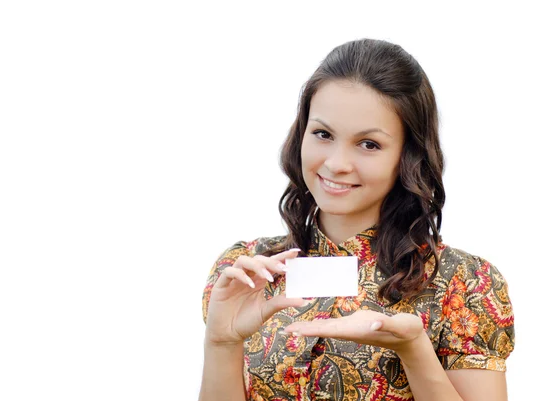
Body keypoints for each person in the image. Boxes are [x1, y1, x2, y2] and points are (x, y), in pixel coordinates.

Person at [199, 38, 515, 401]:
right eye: (323, 134)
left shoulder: (464, 283)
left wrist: (414, 351)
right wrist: (221, 341)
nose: (336, 163)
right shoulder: (249, 274)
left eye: (369, 144)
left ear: (407, 155)